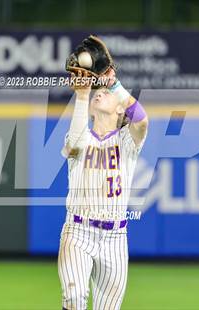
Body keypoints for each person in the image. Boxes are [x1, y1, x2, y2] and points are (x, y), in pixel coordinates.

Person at [58, 69, 148, 310]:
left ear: (120, 108)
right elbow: (75, 142)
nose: (100, 94)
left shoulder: (127, 142)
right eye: (98, 93)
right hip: (78, 231)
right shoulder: (81, 137)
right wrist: (82, 94)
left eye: (106, 93)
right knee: (74, 298)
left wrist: (115, 84)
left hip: (115, 238)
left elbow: (141, 120)